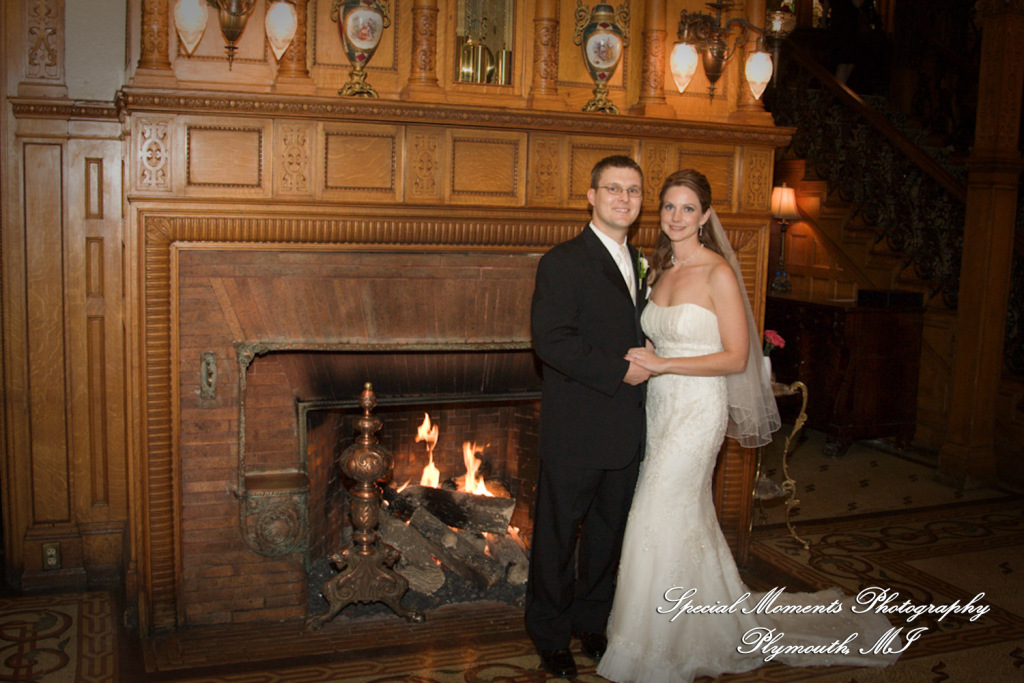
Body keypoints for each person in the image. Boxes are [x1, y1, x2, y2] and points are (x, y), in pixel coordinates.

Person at [596, 170, 902, 682]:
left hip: (697, 410)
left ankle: (654, 645)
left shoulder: (717, 273)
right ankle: (681, 624)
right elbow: (657, 340)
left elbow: (736, 356)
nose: (676, 217)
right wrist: (649, 360)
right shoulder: (660, 272)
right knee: (678, 518)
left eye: (688, 208)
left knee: (657, 509)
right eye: (669, 207)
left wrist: (666, 364)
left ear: (706, 216)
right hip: (659, 407)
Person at [527, 155, 651, 679]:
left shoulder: (641, 260)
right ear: (591, 196)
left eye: (633, 191)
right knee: (557, 538)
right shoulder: (563, 261)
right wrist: (619, 370)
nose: (624, 199)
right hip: (576, 427)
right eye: (613, 189)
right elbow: (551, 341)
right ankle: (550, 636)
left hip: (625, 429)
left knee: (607, 536)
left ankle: (592, 623)